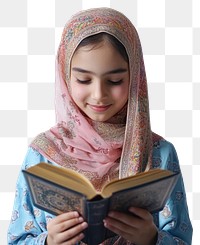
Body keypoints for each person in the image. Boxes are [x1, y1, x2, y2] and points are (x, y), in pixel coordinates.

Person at [8, 7, 192, 245]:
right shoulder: (42, 155)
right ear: (65, 75)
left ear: (135, 76)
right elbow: (17, 238)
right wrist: (48, 241)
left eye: (115, 81)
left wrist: (152, 238)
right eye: (84, 79)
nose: (99, 95)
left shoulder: (159, 154)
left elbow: (181, 239)